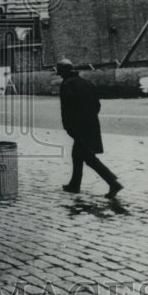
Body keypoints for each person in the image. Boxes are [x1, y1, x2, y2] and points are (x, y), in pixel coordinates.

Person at [56, 58, 122, 197]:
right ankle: (74, 184)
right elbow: (97, 105)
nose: (60, 75)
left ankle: (113, 183)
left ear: (63, 72)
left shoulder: (67, 84)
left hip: (78, 127)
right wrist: (89, 118)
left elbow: (67, 110)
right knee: (77, 155)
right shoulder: (85, 82)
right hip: (91, 124)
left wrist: (70, 127)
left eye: (60, 72)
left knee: (88, 157)